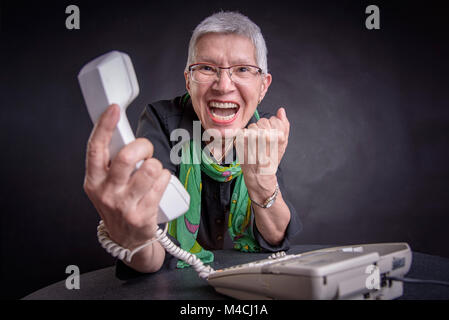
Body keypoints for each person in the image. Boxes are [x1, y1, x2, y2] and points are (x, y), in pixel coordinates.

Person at [83, 11, 301, 278]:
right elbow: (152, 252)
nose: (223, 86)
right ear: (188, 80)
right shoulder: (162, 121)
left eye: (243, 69)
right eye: (207, 68)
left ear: (263, 86)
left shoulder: (263, 130)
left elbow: (276, 239)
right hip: (174, 282)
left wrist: (263, 185)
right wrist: (137, 239)